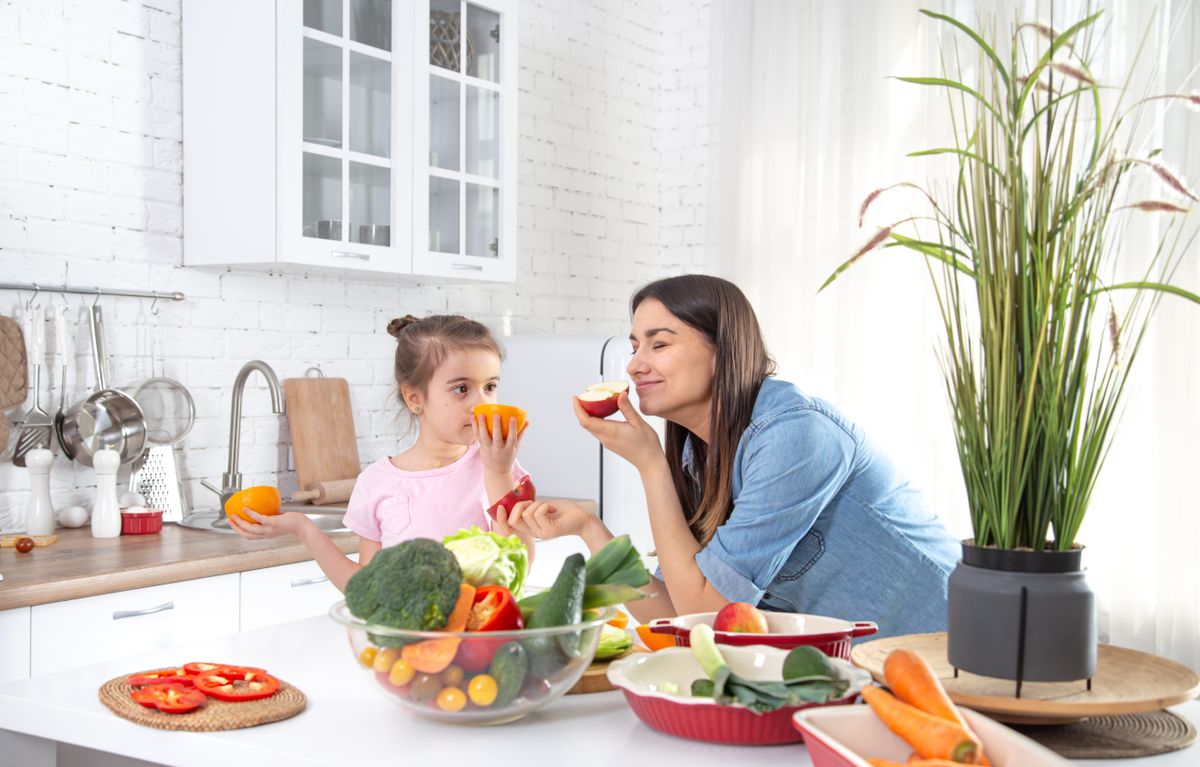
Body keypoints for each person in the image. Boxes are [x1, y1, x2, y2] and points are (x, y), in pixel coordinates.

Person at [506, 275, 960, 638]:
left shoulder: (794, 435)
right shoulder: (697, 456)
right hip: (868, 672)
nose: (633, 365)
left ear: (723, 351)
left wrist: (649, 464)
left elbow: (702, 611)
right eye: (634, 347)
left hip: (952, 653)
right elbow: (669, 612)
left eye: (658, 344)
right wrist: (590, 529)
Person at [230, 314, 533, 592]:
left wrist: (498, 472)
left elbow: (521, 565)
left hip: (485, 639)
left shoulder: (498, 467)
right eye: (461, 389)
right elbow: (366, 588)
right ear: (415, 398)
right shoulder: (376, 482)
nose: (482, 403)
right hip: (406, 645)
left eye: (490, 386)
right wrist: (303, 528)